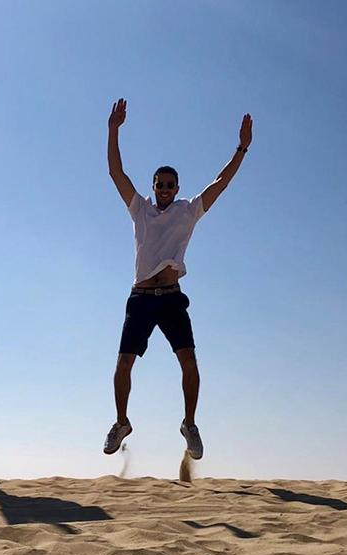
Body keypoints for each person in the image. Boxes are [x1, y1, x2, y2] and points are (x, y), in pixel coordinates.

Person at [104, 98, 252, 459]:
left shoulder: (188, 211)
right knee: (124, 363)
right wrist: (113, 130)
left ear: (177, 186)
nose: (166, 189)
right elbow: (115, 172)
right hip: (140, 298)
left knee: (189, 361)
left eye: (171, 184)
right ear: (153, 187)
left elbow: (222, 182)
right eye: (160, 185)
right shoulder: (139, 209)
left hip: (171, 298)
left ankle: (189, 425)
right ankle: (121, 422)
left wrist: (242, 148)